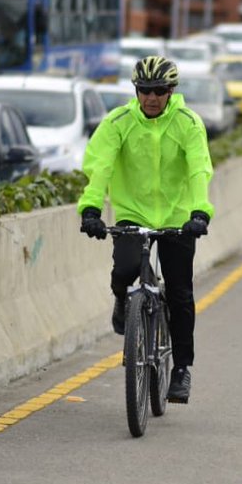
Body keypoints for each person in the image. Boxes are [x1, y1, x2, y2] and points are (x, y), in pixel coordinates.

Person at [78, 55, 214, 404]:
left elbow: (199, 168)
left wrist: (200, 212)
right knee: (124, 269)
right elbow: (100, 166)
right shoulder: (118, 122)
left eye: (159, 91)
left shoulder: (188, 123)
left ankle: (181, 369)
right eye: (144, 90)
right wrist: (91, 207)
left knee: (181, 293)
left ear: (171, 91)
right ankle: (123, 300)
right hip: (132, 213)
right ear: (135, 91)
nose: (151, 98)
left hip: (178, 217)